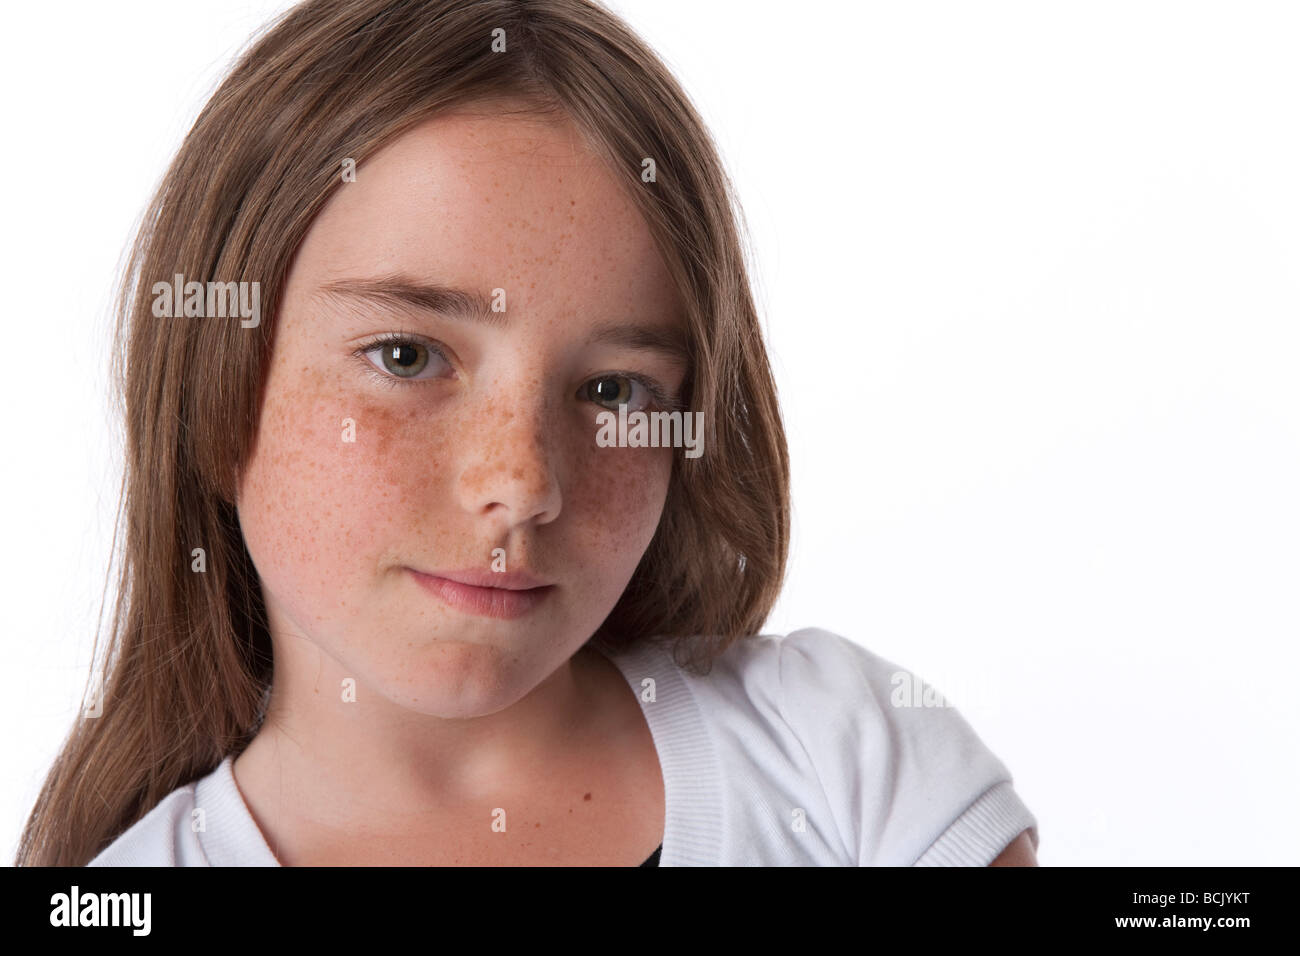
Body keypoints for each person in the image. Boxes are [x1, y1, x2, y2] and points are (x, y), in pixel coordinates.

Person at [17, 0, 1038, 867]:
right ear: (216, 375)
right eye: (408, 356)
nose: (522, 481)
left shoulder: (844, 759)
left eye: (612, 388)